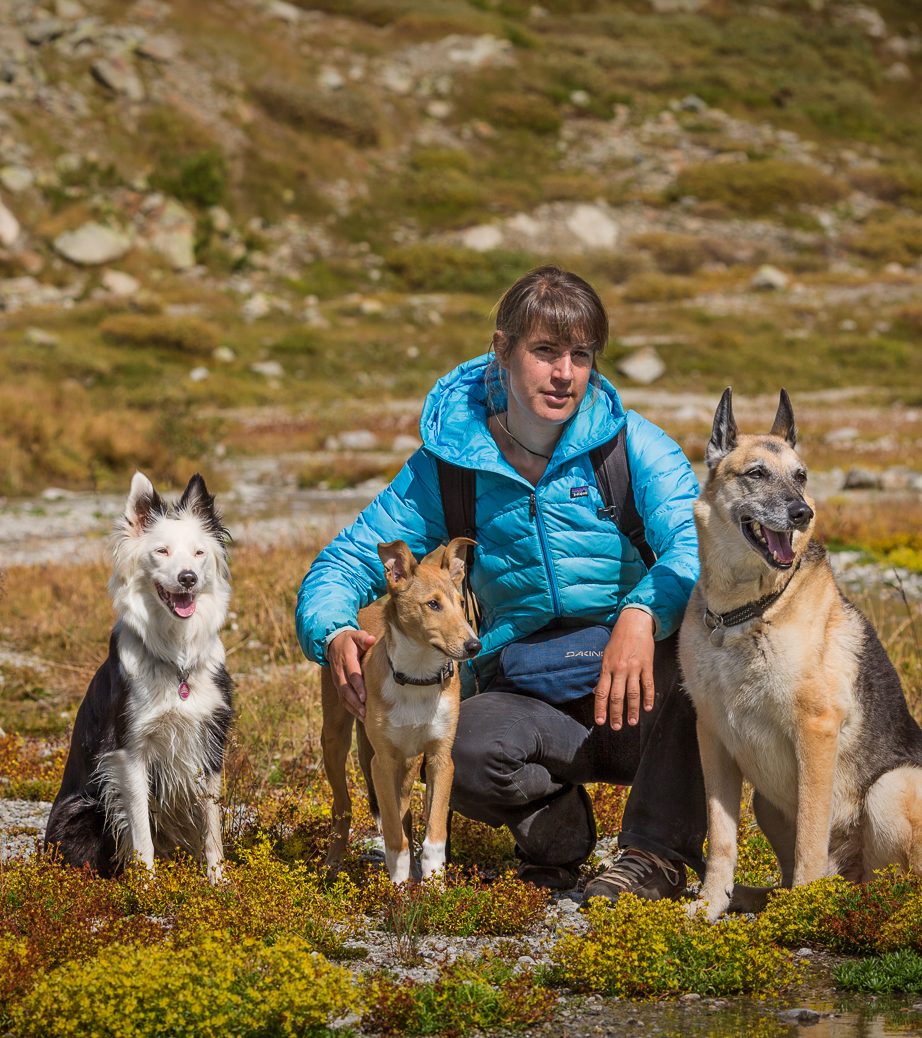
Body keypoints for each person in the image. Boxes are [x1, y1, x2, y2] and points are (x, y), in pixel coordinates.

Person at [295, 266, 705, 904]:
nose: (564, 374)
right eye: (544, 352)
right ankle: (557, 842)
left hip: (640, 683)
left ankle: (656, 855)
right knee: (471, 749)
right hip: (527, 688)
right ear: (502, 351)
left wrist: (644, 614)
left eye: (580, 355)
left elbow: (692, 545)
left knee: (704, 672)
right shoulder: (448, 468)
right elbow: (344, 561)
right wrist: (333, 632)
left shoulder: (634, 450)